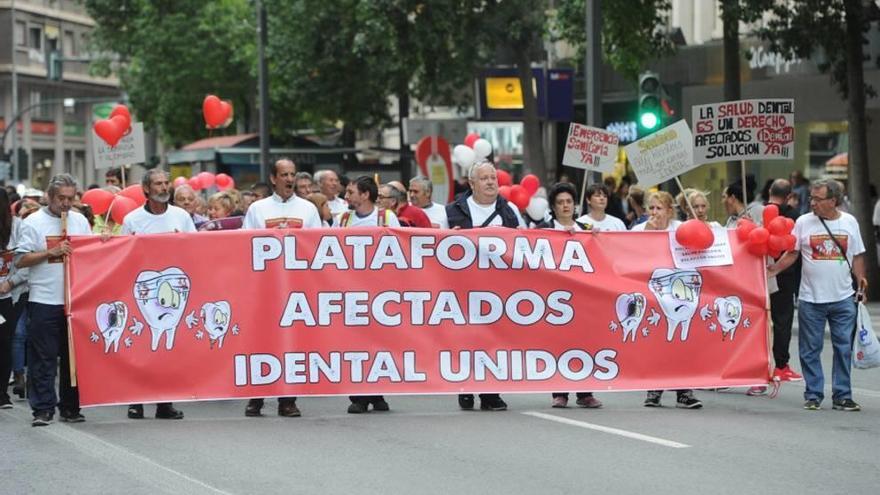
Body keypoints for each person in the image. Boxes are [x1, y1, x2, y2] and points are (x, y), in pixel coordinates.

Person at [768, 179, 866, 412]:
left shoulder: (850, 222)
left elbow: (858, 255)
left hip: (843, 297)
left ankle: (843, 395)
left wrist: (861, 281)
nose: (812, 203)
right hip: (811, 298)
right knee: (810, 349)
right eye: (811, 198)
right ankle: (813, 394)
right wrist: (772, 270)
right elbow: (793, 254)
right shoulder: (803, 222)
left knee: (843, 348)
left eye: (817, 199)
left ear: (833, 201)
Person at [243, 159, 322, 418]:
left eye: (292, 175)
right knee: (261, 342)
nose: (289, 179)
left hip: (296, 288)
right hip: (265, 287)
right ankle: (256, 396)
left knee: (291, 343)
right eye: (284, 175)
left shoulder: (308, 209)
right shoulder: (257, 208)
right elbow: (243, 245)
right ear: (274, 178)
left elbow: (319, 246)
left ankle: (287, 399)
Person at [446, 161, 524, 412]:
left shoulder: (509, 210)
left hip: (498, 289)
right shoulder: (452, 211)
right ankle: (466, 387)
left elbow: (524, 243)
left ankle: (491, 392)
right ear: (471, 183)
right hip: (463, 287)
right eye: (484, 178)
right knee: (467, 338)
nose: (491, 182)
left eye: (493, 177)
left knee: (494, 339)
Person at [16, 174, 92, 426]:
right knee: (44, 357)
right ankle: (43, 408)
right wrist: (51, 252)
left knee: (74, 359)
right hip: (44, 299)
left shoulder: (80, 221)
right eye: (61, 198)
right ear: (50, 197)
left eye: (71, 198)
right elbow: (21, 259)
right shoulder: (33, 222)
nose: (67, 204)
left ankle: (70, 407)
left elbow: (91, 254)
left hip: (75, 299)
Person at [121, 169, 195, 420]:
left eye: (166, 183)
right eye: (158, 184)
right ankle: (136, 401)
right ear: (146, 190)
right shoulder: (132, 220)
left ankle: (165, 402)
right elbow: (122, 255)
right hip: (144, 291)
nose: (164, 188)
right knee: (142, 349)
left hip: (174, 292)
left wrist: (181, 245)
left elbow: (196, 250)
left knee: (167, 349)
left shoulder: (182, 216)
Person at [630, 191, 702, 409]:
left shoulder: (681, 228)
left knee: (681, 343)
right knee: (656, 343)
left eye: (659, 208)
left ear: (670, 211)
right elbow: (628, 254)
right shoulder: (637, 230)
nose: (654, 213)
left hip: (681, 296)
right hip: (655, 295)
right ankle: (654, 390)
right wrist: (648, 233)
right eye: (651, 208)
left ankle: (684, 391)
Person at [335, 176, 401, 413]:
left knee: (379, 343)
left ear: (365, 195)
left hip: (381, 292)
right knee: (355, 344)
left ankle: (376, 391)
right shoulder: (342, 220)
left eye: (351, 192)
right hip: (351, 291)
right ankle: (360, 395)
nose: (346, 196)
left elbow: (400, 250)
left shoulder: (387, 218)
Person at [540, 183, 603, 408]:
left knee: (585, 343)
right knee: (559, 343)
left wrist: (595, 238)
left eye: (568, 202)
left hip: (582, 296)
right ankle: (560, 393)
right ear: (553, 207)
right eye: (560, 202)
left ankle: (585, 393)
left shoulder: (587, 227)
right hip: (555, 296)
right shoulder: (544, 229)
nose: (565, 206)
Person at [747, 179, 804, 396]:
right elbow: (795, 248)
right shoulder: (795, 216)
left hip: (755, 273)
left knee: (758, 322)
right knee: (782, 321)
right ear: (789, 196)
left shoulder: (754, 211)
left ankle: (757, 367)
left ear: (769, 191)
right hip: (783, 275)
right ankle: (781, 365)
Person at [0, 190, 27, 409]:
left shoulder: (19, 227)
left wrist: (10, 283)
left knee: (4, 343)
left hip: (6, 296)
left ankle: (2, 394)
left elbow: (26, 261)